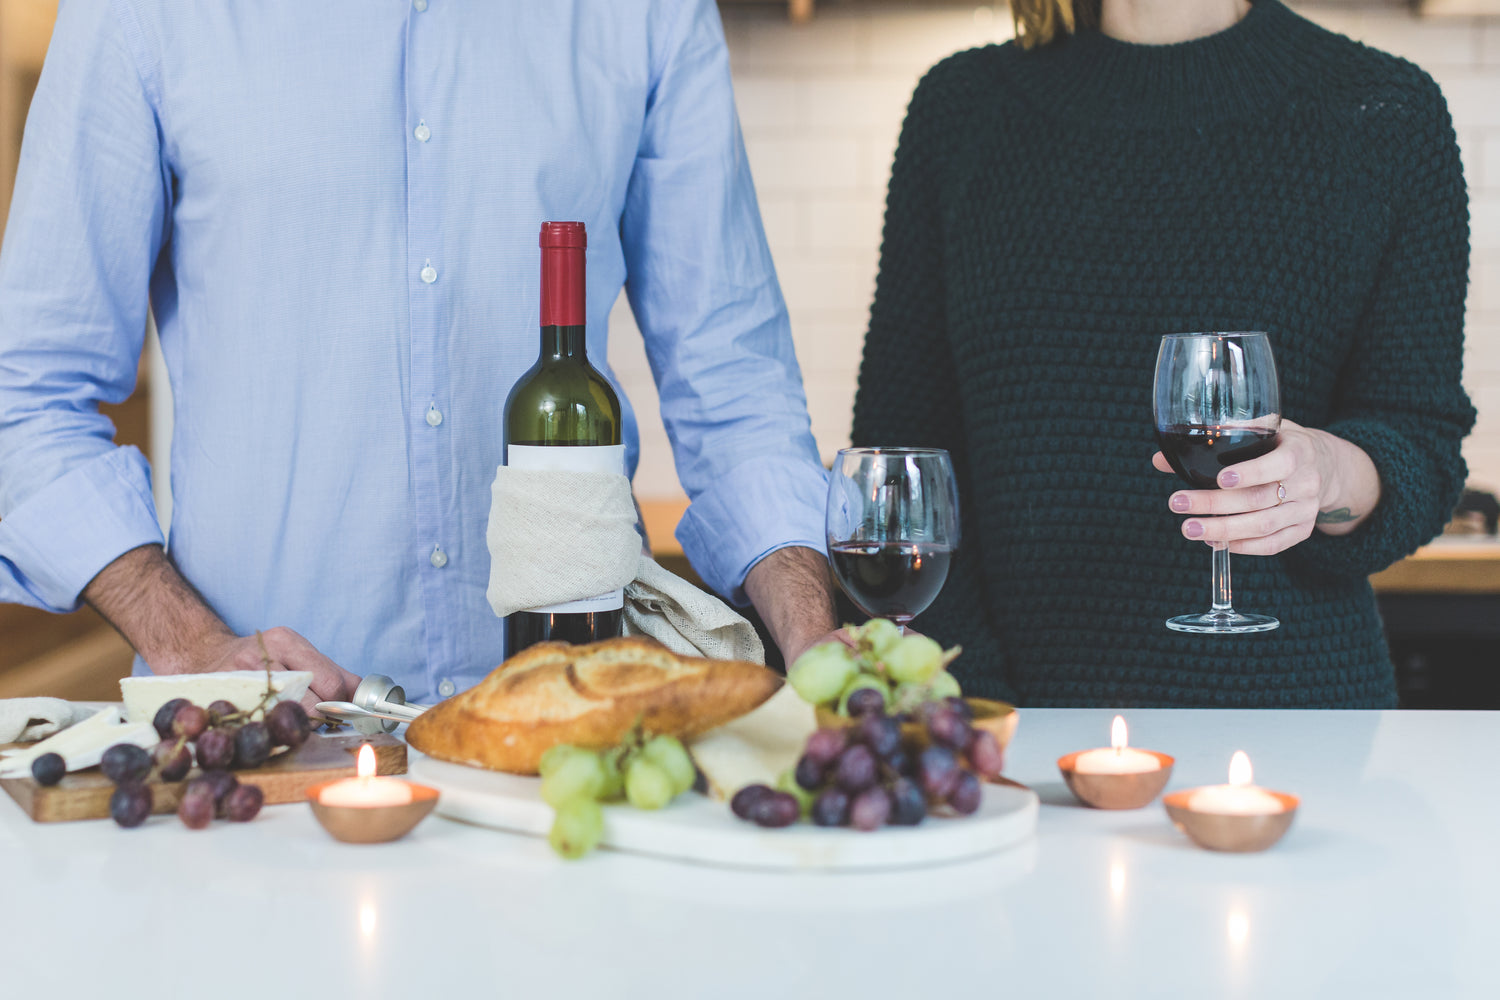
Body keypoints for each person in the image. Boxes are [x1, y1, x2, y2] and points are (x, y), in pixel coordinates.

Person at [0, 0, 839, 707]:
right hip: (264, 738)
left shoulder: (645, 13)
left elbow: (734, 383)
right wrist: (188, 642)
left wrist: (812, 639)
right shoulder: (145, 13)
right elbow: (26, 395)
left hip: (566, 728)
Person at [851, 0, 1474, 708]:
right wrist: (978, 703)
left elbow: (1420, 442)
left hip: (1298, 726)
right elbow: (899, 465)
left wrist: (1328, 473)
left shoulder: (1387, 112)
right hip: (1010, 726)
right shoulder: (958, 110)